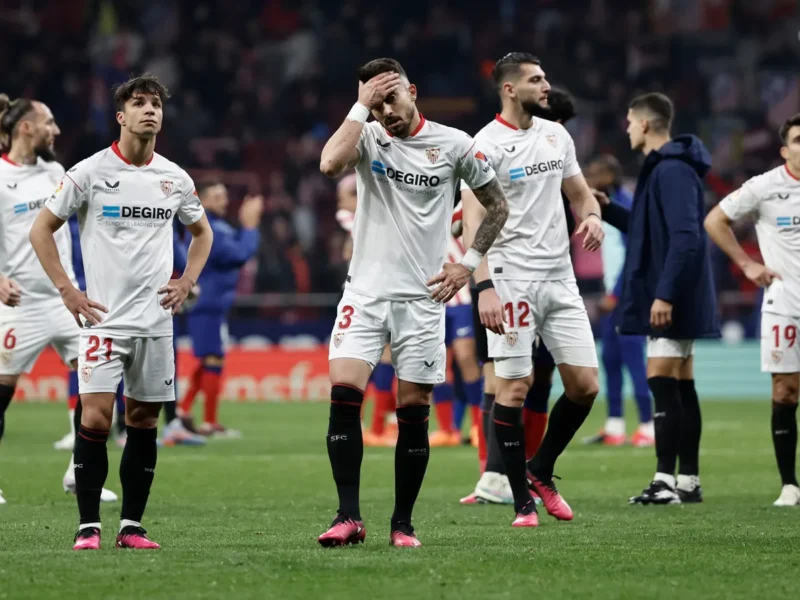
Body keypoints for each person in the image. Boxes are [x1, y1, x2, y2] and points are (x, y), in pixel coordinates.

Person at [317, 57, 508, 547]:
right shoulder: (366, 135)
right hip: (364, 293)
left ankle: (402, 523)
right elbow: (329, 164)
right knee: (344, 393)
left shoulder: (454, 144)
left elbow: (497, 205)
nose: (386, 111)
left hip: (422, 300)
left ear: (413, 92)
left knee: (414, 408)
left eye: (391, 98)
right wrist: (359, 109)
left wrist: (468, 264)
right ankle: (348, 516)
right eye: (376, 102)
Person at [29, 74, 213, 550]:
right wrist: (68, 291)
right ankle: (88, 527)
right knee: (94, 419)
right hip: (103, 322)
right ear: (121, 116)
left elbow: (203, 233)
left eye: (156, 104)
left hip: (155, 324)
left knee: (144, 423)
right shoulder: (88, 173)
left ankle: (131, 526)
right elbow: (41, 229)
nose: (150, 110)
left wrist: (187, 281)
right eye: (139, 103)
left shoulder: (175, 178)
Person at [461, 54, 604, 528]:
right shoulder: (484, 145)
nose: (546, 86)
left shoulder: (556, 135)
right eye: (536, 80)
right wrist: (484, 286)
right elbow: (474, 222)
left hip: (560, 277)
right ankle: (522, 502)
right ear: (509, 89)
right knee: (515, 387)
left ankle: (540, 469)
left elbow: (580, 194)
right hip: (511, 279)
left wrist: (592, 217)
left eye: (545, 78)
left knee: (585, 386)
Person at [599, 92, 718, 505]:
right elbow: (648, 228)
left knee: (661, 380)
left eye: (630, 121)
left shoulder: (671, 170)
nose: (627, 128)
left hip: (674, 293)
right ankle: (688, 481)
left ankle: (664, 481)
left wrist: (664, 294)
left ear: (645, 124)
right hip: (678, 289)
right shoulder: (668, 168)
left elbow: (686, 236)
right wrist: (608, 209)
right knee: (681, 384)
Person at [0, 93, 117, 506]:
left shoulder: (54, 171)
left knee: (97, 382)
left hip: (66, 299)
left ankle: (78, 474)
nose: (56, 129)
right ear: (26, 127)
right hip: (19, 304)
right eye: (48, 122)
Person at [704, 113, 800, 506]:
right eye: (798, 140)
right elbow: (715, 220)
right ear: (785, 150)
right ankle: (790, 485)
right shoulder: (765, 186)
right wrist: (747, 264)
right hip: (785, 303)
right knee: (785, 392)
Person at [178, 179, 263, 437]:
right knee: (212, 357)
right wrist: (250, 227)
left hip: (213, 303)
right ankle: (207, 421)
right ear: (202, 200)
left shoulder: (217, 226)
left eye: (224, 196)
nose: (223, 201)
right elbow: (239, 255)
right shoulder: (209, 228)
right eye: (217, 196)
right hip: (207, 303)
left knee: (211, 358)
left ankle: (184, 411)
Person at [582, 155, 653, 447]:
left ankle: (649, 425)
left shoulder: (625, 205)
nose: (589, 179)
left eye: (594, 174)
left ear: (610, 176)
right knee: (610, 359)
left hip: (629, 297)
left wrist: (617, 293)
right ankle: (615, 425)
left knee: (634, 359)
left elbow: (636, 254)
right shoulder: (602, 206)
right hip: (613, 294)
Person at [430, 201, 484, 448]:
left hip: (461, 297)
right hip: (433, 297)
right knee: (436, 364)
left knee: (466, 359)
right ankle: (447, 430)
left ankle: (478, 425)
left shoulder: (464, 203)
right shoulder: (418, 204)